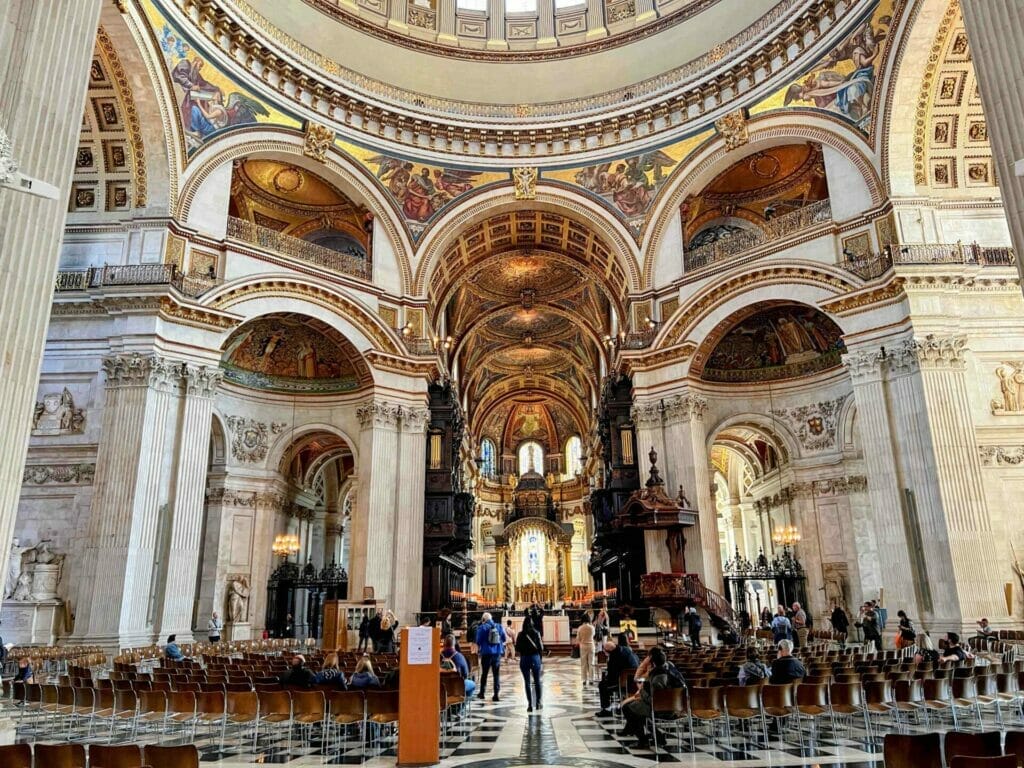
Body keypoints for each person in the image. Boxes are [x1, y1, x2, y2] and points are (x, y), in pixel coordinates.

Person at [621, 647, 682, 749]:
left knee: (627, 708)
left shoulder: (657, 676)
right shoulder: (671, 668)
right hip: (678, 706)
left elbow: (652, 699)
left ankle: (643, 740)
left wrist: (641, 690)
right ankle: (658, 737)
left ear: (652, 662)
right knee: (637, 709)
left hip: (661, 708)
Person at [596, 633, 639, 717]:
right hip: (634, 681)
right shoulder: (627, 650)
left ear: (608, 652)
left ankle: (607, 709)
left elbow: (611, 676)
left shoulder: (613, 658)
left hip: (622, 682)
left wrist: (605, 679)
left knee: (602, 685)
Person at [474, 611, 506, 702]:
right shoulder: (499, 626)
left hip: (486, 653)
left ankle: (482, 693)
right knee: (496, 674)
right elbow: (504, 638)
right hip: (497, 654)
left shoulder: (482, 627)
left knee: (484, 674)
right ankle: (496, 694)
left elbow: (478, 641)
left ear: (483, 619)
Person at [515, 616, 544, 712]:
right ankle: (538, 703)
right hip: (535, 658)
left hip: (524, 658)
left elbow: (517, 648)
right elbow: (541, 648)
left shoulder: (520, 634)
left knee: (527, 682)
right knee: (537, 681)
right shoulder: (536, 633)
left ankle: (530, 705)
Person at [575, 613, 596, 685]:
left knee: (583, 664)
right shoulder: (592, 627)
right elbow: (593, 635)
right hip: (591, 646)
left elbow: (578, 638)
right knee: (591, 663)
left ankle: (584, 680)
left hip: (583, 646)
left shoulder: (580, 628)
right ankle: (591, 679)